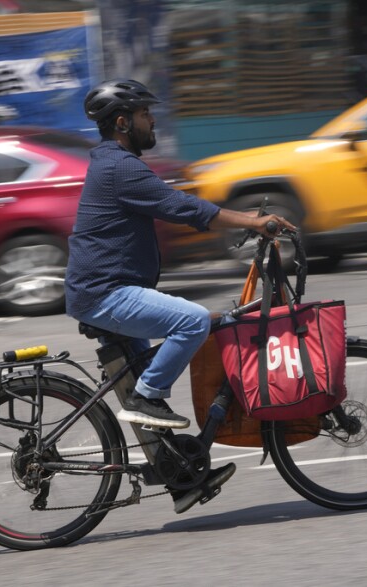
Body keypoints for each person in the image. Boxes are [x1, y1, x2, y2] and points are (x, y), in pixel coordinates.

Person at [65, 79, 295, 513]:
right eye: (144, 114)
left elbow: (181, 210)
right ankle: (147, 396)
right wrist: (250, 219)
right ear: (122, 122)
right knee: (190, 322)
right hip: (104, 295)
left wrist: (241, 223)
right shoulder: (120, 168)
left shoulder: (115, 163)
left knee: (194, 331)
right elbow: (182, 207)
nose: (152, 120)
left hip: (110, 291)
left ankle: (182, 480)